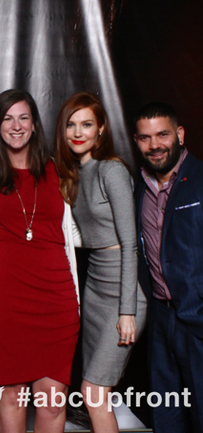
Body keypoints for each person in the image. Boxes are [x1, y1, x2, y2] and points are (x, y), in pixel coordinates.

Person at [0, 89, 80, 433]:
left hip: (56, 296)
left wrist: (116, 241)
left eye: (23, 117)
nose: (16, 126)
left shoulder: (58, 169)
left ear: (34, 125)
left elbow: (73, 230)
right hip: (3, 299)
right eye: (7, 119)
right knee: (12, 394)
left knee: (52, 396)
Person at [53, 91, 147, 432]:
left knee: (93, 392)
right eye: (71, 125)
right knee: (92, 392)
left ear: (101, 129)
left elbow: (130, 245)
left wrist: (127, 311)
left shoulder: (112, 170)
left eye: (87, 124)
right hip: (94, 291)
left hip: (123, 293)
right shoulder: (75, 175)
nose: (78, 132)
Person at [134, 102, 203, 433]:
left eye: (162, 134)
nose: (155, 145)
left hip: (197, 318)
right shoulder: (137, 189)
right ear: (136, 141)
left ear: (179, 134)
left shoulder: (200, 179)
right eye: (145, 138)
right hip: (160, 320)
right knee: (167, 415)